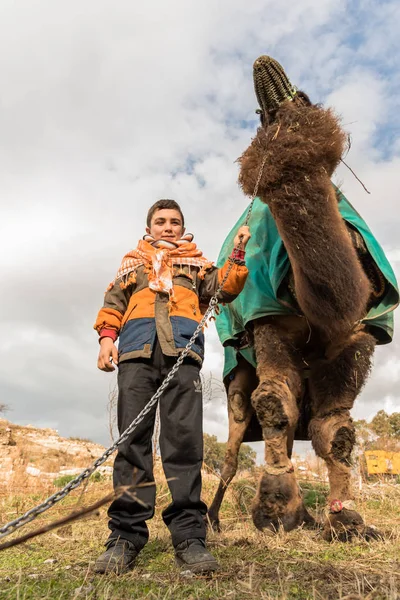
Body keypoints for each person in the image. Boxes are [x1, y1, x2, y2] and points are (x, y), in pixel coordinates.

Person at [93, 199, 250, 574]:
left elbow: (225, 288)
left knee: (183, 443)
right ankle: (124, 536)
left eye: (174, 222)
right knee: (132, 442)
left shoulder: (198, 264)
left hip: (182, 355)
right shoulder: (132, 264)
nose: (168, 227)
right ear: (149, 227)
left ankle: (190, 537)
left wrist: (239, 249)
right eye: (160, 221)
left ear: (182, 228)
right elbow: (113, 304)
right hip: (135, 355)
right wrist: (106, 339)